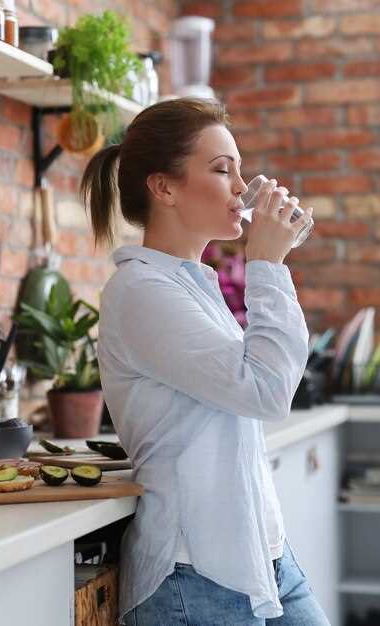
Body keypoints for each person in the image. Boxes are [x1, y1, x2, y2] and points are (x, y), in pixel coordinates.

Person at [81, 98, 329, 626]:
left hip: (262, 558)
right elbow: (265, 390)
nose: (242, 187)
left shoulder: (191, 285)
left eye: (240, 169)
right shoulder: (141, 291)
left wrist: (269, 264)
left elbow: (264, 379)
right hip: (194, 578)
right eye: (222, 170)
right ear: (164, 187)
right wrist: (266, 263)